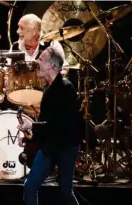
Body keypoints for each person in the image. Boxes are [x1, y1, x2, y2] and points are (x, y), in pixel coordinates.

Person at [17, 46, 84, 205]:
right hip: (50, 146)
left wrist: (32, 126)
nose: (36, 62)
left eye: (40, 59)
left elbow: (60, 125)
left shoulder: (66, 88)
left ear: (50, 66)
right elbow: (47, 123)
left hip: (66, 146)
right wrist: (29, 138)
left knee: (65, 192)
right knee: (30, 187)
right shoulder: (49, 88)